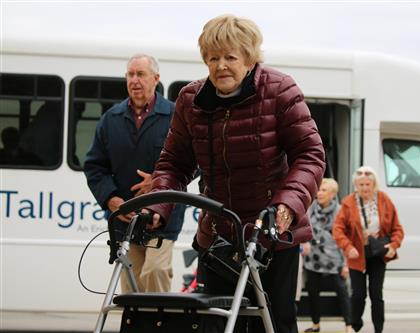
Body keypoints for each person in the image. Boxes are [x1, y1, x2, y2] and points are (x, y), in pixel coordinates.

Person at [145, 14, 325, 333]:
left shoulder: (280, 90)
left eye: (230, 57)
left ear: (249, 58)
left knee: (274, 323)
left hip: (271, 235)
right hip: (218, 236)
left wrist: (287, 204)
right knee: (214, 322)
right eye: (213, 58)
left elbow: (309, 155)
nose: (221, 66)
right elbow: (174, 164)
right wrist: (157, 207)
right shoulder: (191, 99)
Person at [83, 54, 186, 293]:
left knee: (155, 272)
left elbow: (195, 163)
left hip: (163, 216)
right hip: (125, 218)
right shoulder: (111, 119)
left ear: (156, 79)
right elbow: (94, 167)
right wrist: (111, 199)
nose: (134, 80)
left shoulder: (176, 116)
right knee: (131, 286)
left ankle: (160, 325)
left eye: (141, 74)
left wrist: (157, 180)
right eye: (130, 74)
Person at [333, 166, 404, 333]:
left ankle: (379, 329)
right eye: (361, 184)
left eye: (367, 184)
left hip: (378, 254)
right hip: (357, 254)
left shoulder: (384, 200)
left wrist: (394, 245)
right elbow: (337, 229)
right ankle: (354, 326)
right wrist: (347, 246)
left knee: (376, 295)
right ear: (356, 185)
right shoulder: (348, 202)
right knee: (358, 295)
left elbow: (398, 228)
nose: (364, 188)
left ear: (374, 184)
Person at [302, 178, 352, 333]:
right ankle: (316, 325)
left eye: (324, 190)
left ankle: (349, 326)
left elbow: (347, 238)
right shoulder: (310, 209)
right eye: (319, 190)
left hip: (334, 258)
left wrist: (346, 264)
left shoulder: (340, 211)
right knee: (313, 293)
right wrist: (304, 242)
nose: (319, 193)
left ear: (332, 194)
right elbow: (304, 228)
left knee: (342, 292)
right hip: (313, 258)